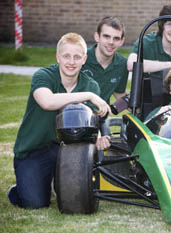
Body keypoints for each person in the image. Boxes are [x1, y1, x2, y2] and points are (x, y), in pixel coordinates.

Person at [8, 32, 111, 209]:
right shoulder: (44, 76)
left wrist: (99, 137)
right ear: (58, 57)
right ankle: (21, 188)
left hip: (70, 148)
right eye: (66, 56)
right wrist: (88, 96)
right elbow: (47, 102)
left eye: (77, 56)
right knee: (35, 203)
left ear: (84, 59)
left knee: (76, 194)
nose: (71, 62)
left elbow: (93, 120)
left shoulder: (90, 84)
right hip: (35, 149)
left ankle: (57, 181)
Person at [82, 16, 129, 149]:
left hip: (101, 120)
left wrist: (140, 109)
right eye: (106, 36)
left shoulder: (122, 65)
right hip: (78, 118)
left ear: (122, 41)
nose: (111, 42)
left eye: (116, 38)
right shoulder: (82, 59)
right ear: (97, 37)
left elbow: (119, 93)